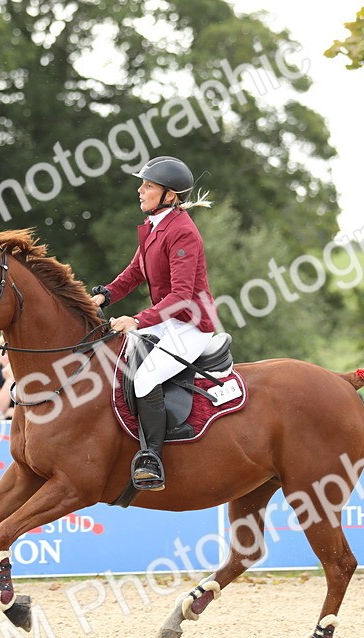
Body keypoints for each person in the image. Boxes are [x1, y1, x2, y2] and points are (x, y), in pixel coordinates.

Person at [90, 155, 219, 492]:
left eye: (148, 186)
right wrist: (104, 296)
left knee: (145, 378)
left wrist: (136, 319)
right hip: (166, 321)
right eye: (143, 185)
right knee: (114, 358)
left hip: (190, 324)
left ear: (169, 195)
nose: (140, 190)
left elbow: (182, 296)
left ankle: (152, 457)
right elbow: (134, 272)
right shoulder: (154, 227)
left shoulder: (183, 233)